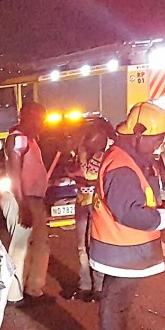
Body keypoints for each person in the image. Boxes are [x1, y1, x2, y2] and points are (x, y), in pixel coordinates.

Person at [88, 101, 165, 330]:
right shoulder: (122, 165)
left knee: (120, 301)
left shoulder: (129, 158)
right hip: (121, 248)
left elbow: (139, 198)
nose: (158, 145)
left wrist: (159, 208)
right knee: (115, 300)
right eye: (155, 139)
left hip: (125, 248)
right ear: (138, 134)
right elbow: (129, 213)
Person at [3, 101, 53, 305]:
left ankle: (33, 289)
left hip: (33, 199)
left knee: (40, 246)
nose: (41, 124)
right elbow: (14, 175)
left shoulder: (29, 140)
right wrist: (22, 204)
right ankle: (14, 294)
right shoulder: (18, 140)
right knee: (20, 247)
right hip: (23, 199)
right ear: (28, 117)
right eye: (39, 120)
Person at [66, 119, 116, 302]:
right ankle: (85, 285)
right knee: (82, 246)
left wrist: (79, 174)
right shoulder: (84, 151)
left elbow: (86, 175)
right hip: (82, 202)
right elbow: (81, 174)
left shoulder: (107, 154)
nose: (92, 144)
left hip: (98, 206)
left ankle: (99, 286)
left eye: (95, 141)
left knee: (95, 246)